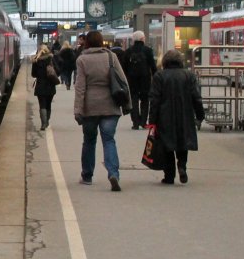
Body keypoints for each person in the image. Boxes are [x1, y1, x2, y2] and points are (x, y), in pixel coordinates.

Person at [74, 30, 131, 191]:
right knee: (109, 140)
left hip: (90, 107)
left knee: (89, 141)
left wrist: (78, 110)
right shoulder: (111, 57)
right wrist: (128, 104)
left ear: (87, 43)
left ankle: (87, 176)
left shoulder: (82, 60)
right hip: (110, 106)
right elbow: (123, 80)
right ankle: (113, 173)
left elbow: (80, 88)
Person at [147, 49, 205, 184]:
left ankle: (169, 176)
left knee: (167, 146)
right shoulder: (189, 75)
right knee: (182, 142)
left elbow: (154, 100)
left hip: (164, 116)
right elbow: (196, 97)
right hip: (185, 115)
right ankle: (182, 166)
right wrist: (200, 115)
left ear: (165, 61)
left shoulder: (159, 76)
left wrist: (152, 121)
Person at [123, 30, 157, 130]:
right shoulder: (148, 50)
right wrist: (156, 77)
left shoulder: (128, 51)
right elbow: (153, 66)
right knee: (145, 100)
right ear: (142, 39)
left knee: (133, 100)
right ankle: (143, 122)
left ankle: (135, 123)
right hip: (145, 79)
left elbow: (124, 67)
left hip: (132, 79)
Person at [31, 44, 61, 130]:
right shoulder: (51, 59)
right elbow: (58, 71)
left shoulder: (36, 60)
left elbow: (33, 74)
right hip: (50, 85)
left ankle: (43, 124)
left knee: (42, 105)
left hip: (40, 85)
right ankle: (47, 121)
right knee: (48, 104)